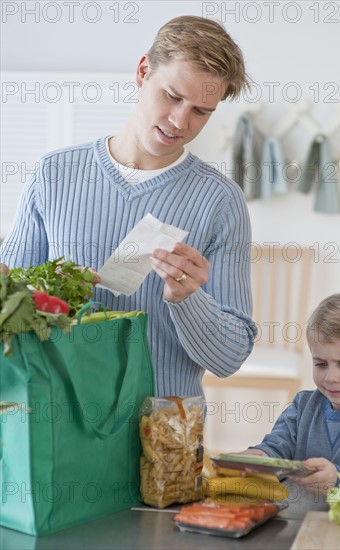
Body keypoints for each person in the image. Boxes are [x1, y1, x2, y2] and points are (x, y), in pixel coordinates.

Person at [0, 16, 257, 397]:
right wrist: (55, 293)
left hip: (163, 430)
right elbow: (9, 307)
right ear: (142, 71)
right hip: (60, 420)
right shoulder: (54, 174)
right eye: (172, 95)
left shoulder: (220, 202)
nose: (179, 121)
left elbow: (229, 358)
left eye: (201, 111)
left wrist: (187, 300)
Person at [239, 291, 340, 494]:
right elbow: (277, 447)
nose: (331, 377)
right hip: (297, 518)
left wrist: (339, 478)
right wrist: (260, 455)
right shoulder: (303, 405)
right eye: (320, 364)